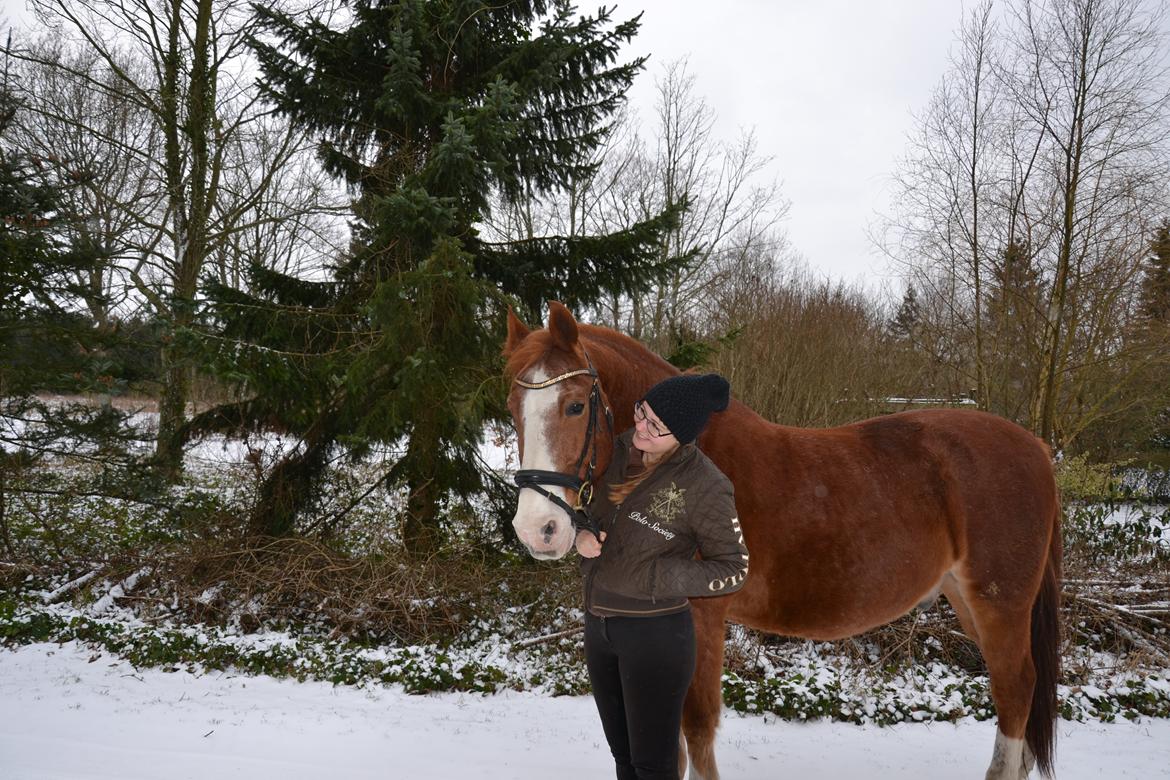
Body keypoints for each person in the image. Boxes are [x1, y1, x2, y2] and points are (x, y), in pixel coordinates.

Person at [575, 372, 749, 780]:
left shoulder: (705, 485)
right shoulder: (618, 452)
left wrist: (656, 577)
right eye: (642, 412)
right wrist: (582, 534)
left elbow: (733, 568)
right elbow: (590, 511)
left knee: (654, 768)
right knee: (624, 760)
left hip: (654, 639)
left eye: (655, 425)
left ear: (683, 435)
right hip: (599, 627)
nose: (640, 426)